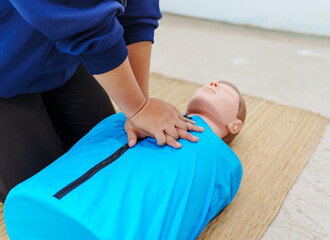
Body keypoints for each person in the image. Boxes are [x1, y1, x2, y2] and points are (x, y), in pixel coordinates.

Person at [0, 0, 202, 203]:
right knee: (39, 197)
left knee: (110, 162)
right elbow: (80, 20)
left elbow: (138, 9)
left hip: (61, 53)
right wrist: (138, 108)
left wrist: (140, 105)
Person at [4, 80, 246, 240]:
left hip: (63, 216)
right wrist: (138, 110)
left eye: (225, 90)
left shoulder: (225, 163)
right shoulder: (126, 118)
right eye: (213, 82)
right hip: (37, 202)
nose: (214, 84)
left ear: (236, 124)